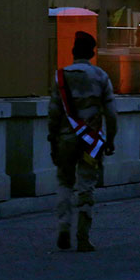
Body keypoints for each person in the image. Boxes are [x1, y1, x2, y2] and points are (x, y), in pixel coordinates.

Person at [48, 31, 118, 251]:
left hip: (65, 140)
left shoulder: (60, 76)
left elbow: (54, 113)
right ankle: (83, 237)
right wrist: (110, 139)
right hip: (91, 142)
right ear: (92, 53)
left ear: (73, 52)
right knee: (86, 185)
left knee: (64, 182)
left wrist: (53, 139)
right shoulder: (100, 76)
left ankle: (63, 227)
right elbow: (111, 113)